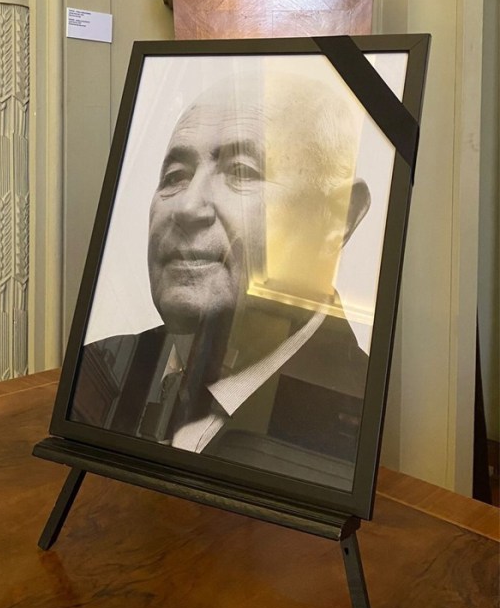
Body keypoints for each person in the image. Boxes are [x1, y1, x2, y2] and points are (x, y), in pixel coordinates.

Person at [70, 73, 371, 487]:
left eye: (242, 172)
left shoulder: (361, 416)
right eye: (175, 176)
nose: (187, 207)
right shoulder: (96, 370)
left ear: (338, 216)